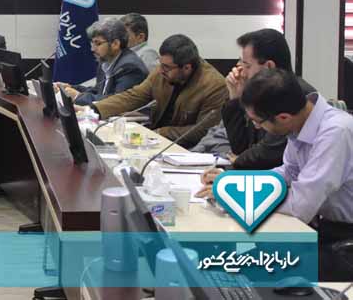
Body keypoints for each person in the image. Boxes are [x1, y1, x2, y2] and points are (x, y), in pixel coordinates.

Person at [200, 69, 353, 281]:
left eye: (258, 121)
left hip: (345, 242)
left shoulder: (336, 133)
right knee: (233, 253)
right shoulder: (301, 121)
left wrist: (239, 196)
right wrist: (235, 183)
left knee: (254, 266)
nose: (256, 126)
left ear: (283, 117)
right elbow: (288, 172)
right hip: (323, 230)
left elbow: (301, 205)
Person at [192, 29, 315, 169]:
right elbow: (241, 147)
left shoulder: (295, 94)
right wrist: (235, 99)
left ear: (268, 67)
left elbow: (266, 154)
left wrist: (236, 163)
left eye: (247, 65)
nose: (241, 72)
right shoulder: (261, 92)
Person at [91, 34, 227, 147]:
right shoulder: (162, 71)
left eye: (166, 67)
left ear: (187, 68)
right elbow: (134, 96)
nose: (160, 70)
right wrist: (95, 109)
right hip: (154, 141)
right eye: (160, 64)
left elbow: (203, 130)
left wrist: (162, 133)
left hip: (186, 150)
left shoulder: (214, 86)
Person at [56, 18, 148, 106]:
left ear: (115, 44)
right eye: (92, 43)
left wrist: (78, 96)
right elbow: (98, 91)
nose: (92, 49)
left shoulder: (130, 67)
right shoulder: (105, 61)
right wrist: (70, 88)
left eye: (98, 43)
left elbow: (116, 103)